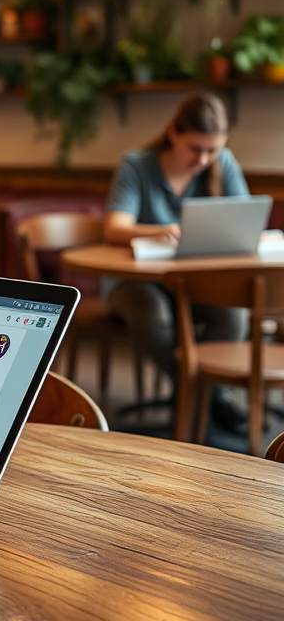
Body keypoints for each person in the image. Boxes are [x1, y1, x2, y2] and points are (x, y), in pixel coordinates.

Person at [104, 93, 249, 429]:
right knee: (153, 316)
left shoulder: (222, 163)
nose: (203, 159)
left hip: (197, 282)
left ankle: (200, 401)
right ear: (173, 133)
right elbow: (114, 228)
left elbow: (242, 219)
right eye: (195, 148)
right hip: (137, 281)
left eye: (212, 150)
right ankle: (203, 397)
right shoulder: (136, 165)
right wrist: (160, 231)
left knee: (234, 314)